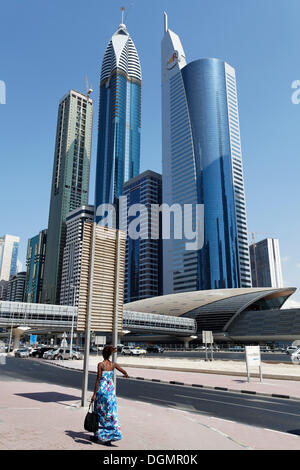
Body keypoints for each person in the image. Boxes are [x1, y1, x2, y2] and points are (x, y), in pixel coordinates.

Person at [91, 344, 129, 445]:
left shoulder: (101, 365)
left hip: (102, 391)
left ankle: (97, 435)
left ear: (103, 354)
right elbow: (123, 371)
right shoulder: (113, 365)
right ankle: (109, 438)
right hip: (110, 392)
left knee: (99, 413)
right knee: (110, 413)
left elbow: (98, 380)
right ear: (110, 354)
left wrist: (94, 394)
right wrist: (126, 374)